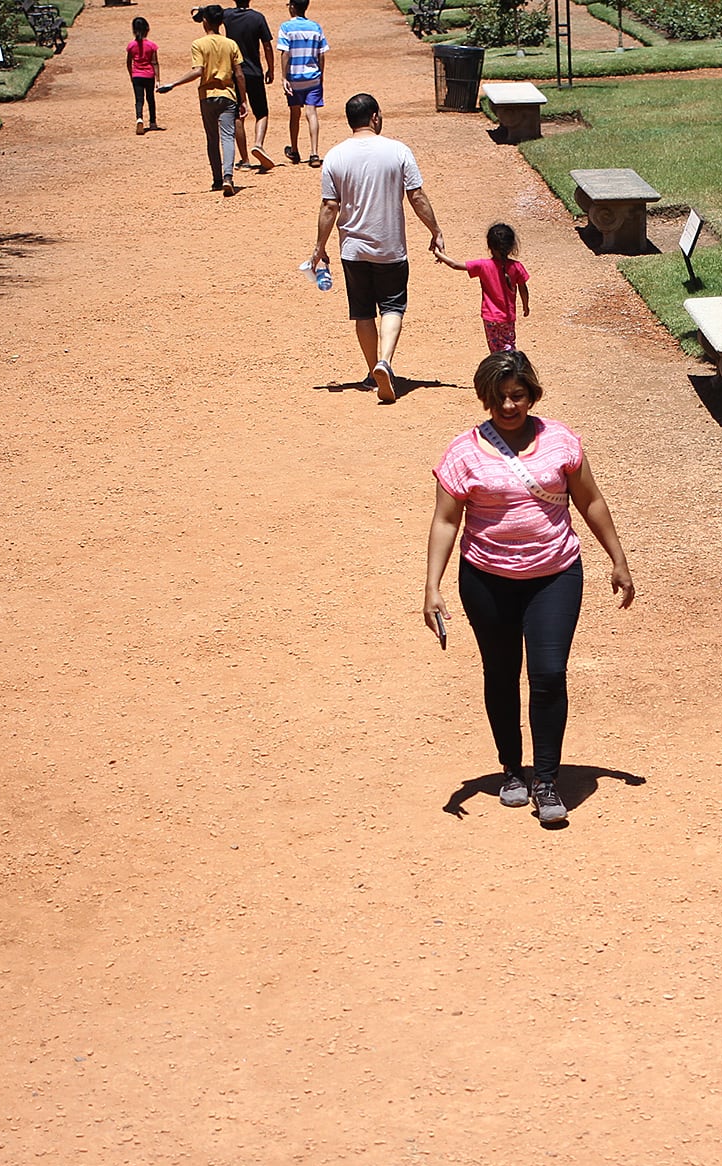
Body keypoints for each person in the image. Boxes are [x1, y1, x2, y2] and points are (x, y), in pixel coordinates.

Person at [423, 352, 634, 824]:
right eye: (499, 399)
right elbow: (444, 521)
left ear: (531, 394)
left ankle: (545, 778)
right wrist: (431, 586)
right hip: (485, 580)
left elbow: (590, 501)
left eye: (517, 395)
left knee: (548, 672)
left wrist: (618, 559)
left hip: (554, 575)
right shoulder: (463, 452)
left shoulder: (560, 442)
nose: (510, 406)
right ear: (485, 399)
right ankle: (510, 770)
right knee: (500, 673)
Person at [310, 94, 444, 404]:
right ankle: (385, 360)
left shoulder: (334, 156)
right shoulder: (397, 151)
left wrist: (319, 247)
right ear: (374, 117)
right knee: (392, 306)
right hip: (390, 247)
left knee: (362, 311)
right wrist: (435, 230)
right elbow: (417, 196)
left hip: (352, 250)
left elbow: (330, 206)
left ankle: (372, 372)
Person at [158, 6, 245, 196]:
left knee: (212, 138)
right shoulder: (231, 44)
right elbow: (239, 74)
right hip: (228, 95)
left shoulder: (199, 44)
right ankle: (228, 176)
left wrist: (173, 84)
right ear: (221, 22)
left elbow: (198, 71)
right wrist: (243, 99)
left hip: (207, 96)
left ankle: (216, 179)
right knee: (228, 137)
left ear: (204, 21)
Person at [435, 222, 530, 354]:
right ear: (511, 246)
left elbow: (454, 265)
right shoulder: (517, 267)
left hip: (490, 317)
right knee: (509, 345)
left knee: (495, 350)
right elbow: (523, 289)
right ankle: (511, 366)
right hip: (508, 318)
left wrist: (439, 253)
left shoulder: (483, 265)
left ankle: (500, 369)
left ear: (489, 246)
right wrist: (525, 306)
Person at [221, 0, 277, 172]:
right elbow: (267, 46)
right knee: (262, 112)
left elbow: (210, 14)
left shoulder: (228, 15)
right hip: (254, 72)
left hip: (235, 72)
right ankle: (258, 144)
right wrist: (271, 69)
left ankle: (244, 160)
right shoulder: (257, 18)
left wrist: (199, 10)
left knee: (238, 114)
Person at [275, 0, 328, 166]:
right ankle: (314, 153)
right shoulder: (316, 27)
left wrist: (284, 77)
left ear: (292, 7)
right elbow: (321, 54)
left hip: (294, 78)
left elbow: (285, 54)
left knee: (294, 114)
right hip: (313, 77)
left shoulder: (286, 27)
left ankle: (295, 151)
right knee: (311, 113)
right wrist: (321, 76)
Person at [126, 16, 161, 135]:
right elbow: (155, 62)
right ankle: (152, 122)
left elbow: (128, 62)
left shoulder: (131, 46)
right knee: (150, 99)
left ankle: (139, 118)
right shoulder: (152, 45)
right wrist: (158, 79)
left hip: (137, 75)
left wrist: (132, 75)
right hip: (149, 75)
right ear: (147, 29)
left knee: (139, 99)